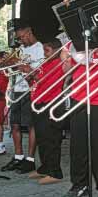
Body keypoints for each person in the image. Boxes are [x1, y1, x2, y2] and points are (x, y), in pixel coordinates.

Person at [61, 44, 98, 197]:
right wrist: (66, 57)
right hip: (79, 96)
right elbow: (67, 71)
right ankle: (80, 184)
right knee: (78, 145)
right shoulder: (74, 42)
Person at [1, 19, 44, 174]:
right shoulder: (21, 49)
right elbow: (14, 68)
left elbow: (38, 71)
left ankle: (30, 159)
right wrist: (8, 62)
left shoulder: (40, 48)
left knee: (31, 125)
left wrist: (20, 64)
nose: (20, 41)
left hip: (31, 90)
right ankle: (18, 156)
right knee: (15, 124)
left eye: (22, 37)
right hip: (17, 88)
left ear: (29, 32)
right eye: (18, 38)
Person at [29, 39, 66, 184]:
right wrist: (29, 75)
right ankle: (45, 167)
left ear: (56, 50)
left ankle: (55, 172)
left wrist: (30, 71)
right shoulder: (45, 63)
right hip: (39, 102)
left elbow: (47, 81)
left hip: (51, 103)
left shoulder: (58, 63)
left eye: (47, 50)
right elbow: (35, 83)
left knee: (52, 139)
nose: (44, 53)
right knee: (42, 138)